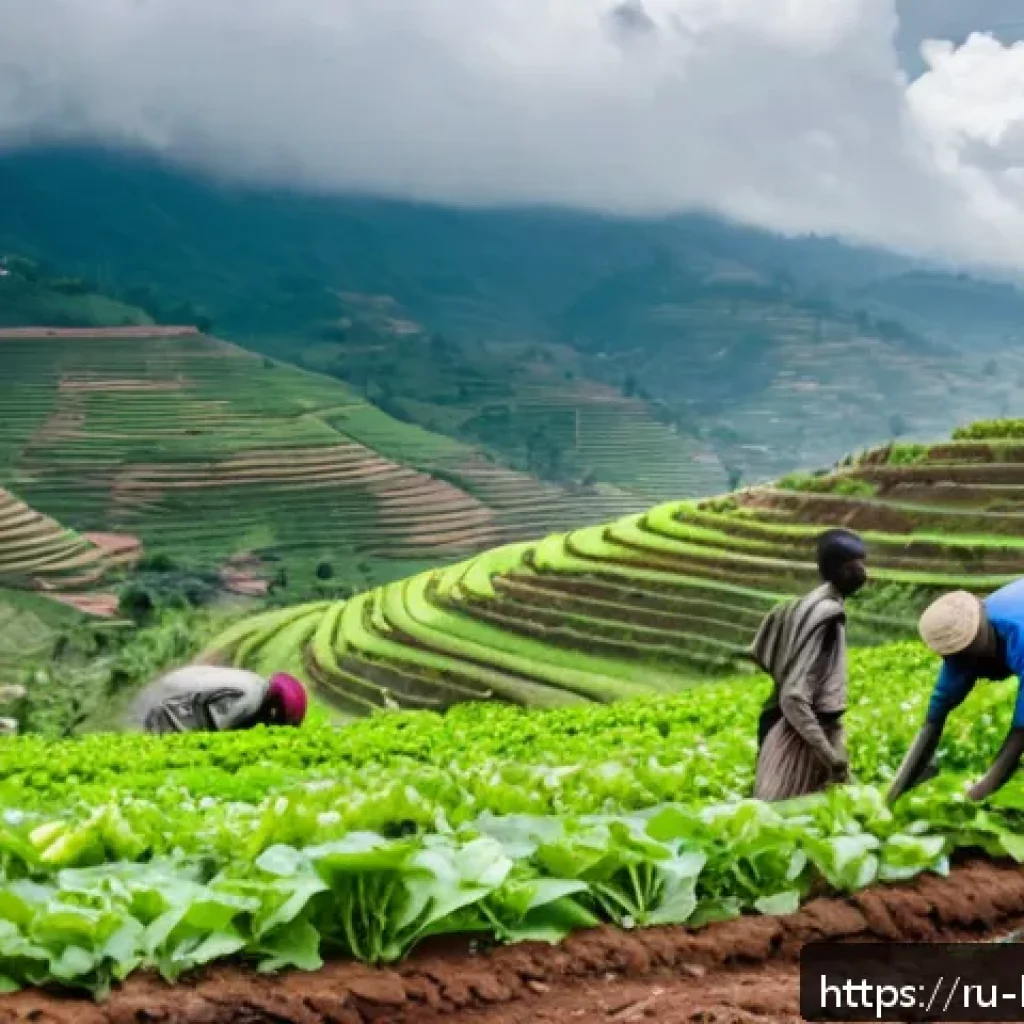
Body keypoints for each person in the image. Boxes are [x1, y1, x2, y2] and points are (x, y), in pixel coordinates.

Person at [751, 529, 868, 802]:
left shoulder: (807, 605)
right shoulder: (826, 615)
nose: (864, 572)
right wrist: (829, 755)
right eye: (858, 565)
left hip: (799, 729)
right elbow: (794, 696)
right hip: (800, 738)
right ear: (839, 569)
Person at [888, 581, 1024, 804]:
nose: (967, 665)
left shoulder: (1019, 635)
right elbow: (932, 721)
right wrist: (893, 796)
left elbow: (1022, 729)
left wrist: (977, 795)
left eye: (970, 654)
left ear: (981, 633)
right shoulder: (962, 656)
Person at [127, 665, 308, 735]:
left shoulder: (257, 682)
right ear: (274, 710)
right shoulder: (250, 700)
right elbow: (219, 732)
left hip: (173, 685)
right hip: (170, 703)